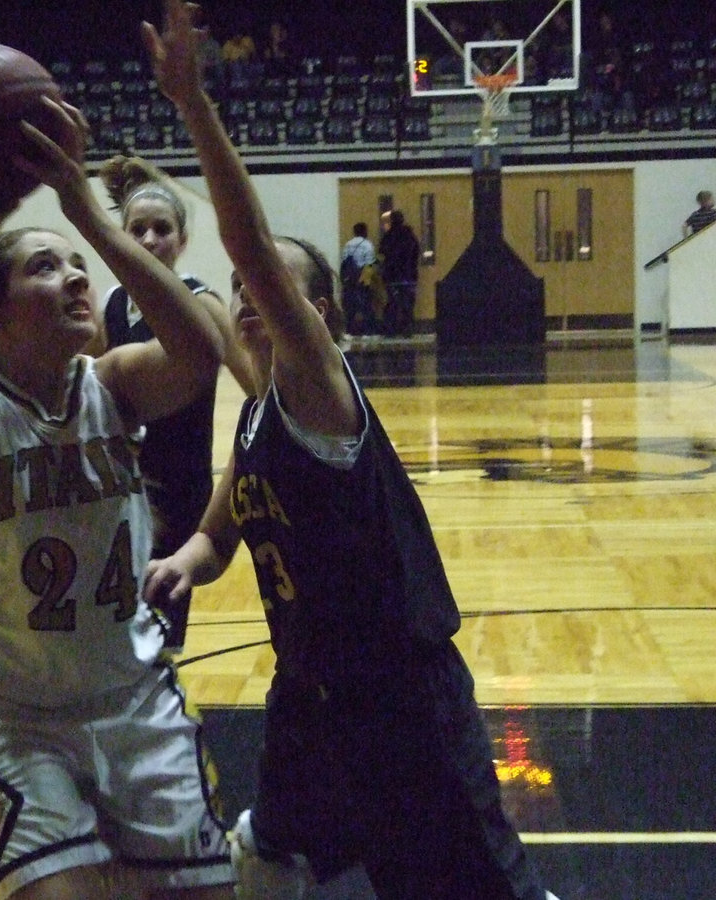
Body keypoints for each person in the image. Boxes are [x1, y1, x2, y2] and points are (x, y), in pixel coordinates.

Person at [140, 2, 557, 898]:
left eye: (271, 289)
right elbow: (219, 534)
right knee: (272, 850)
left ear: (318, 318)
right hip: (311, 695)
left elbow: (244, 242)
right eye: (249, 291)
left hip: (400, 700)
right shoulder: (255, 421)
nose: (251, 297)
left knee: (476, 888)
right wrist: (181, 561)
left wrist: (193, 105)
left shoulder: (322, 394)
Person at [0, 93, 235, 900]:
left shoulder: (112, 384)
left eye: (79, 266)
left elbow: (200, 354)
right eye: (45, 266)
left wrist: (88, 216)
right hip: (11, 716)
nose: (75, 278)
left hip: (132, 701)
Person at [98, 154, 254, 653]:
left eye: (161, 230)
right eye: (137, 229)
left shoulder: (202, 304)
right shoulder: (108, 306)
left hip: (179, 493)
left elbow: (257, 386)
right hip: (119, 493)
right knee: (112, 635)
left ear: (182, 241)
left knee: (159, 643)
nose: (147, 241)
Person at [377, 209, 420, 337]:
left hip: (392, 276)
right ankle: (407, 330)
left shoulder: (388, 236)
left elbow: (381, 253)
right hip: (409, 275)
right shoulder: (410, 236)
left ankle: (391, 330)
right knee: (407, 304)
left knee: (392, 303)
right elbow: (415, 253)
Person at [339, 222, 380, 337]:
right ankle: (368, 331)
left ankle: (349, 331)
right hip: (362, 278)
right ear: (365, 231)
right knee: (366, 305)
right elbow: (369, 264)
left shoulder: (348, 245)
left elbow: (344, 262)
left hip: (350, 280)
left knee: (350, 306)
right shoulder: (367, 245)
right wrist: (365, 282)